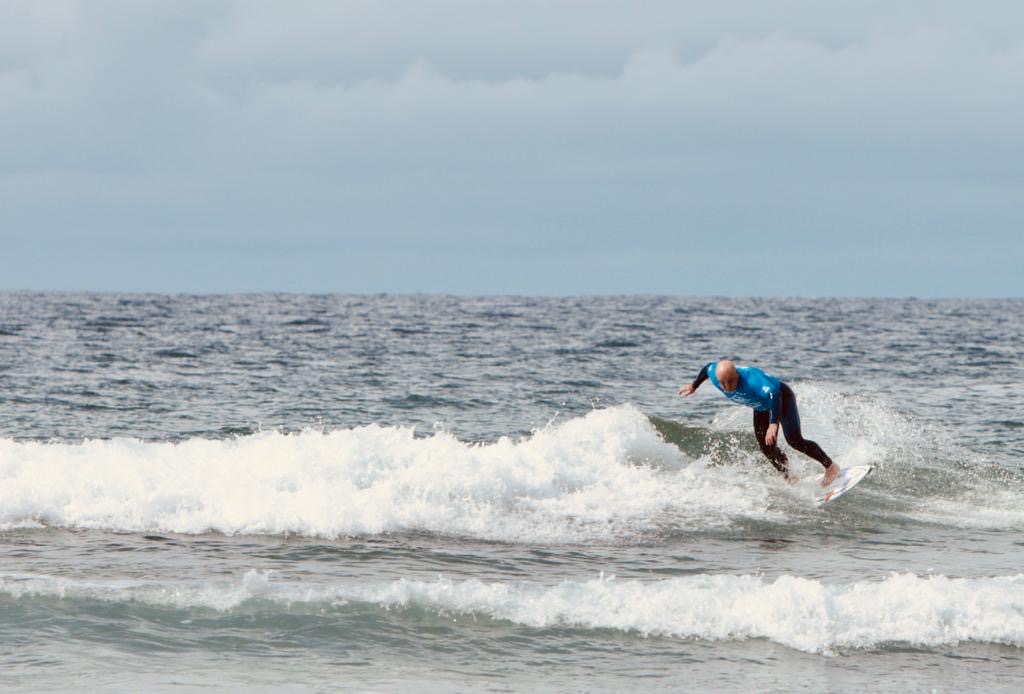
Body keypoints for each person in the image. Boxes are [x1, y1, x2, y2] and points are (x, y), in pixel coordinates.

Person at [679, 359, 840, 486]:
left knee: (794, 440)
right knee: (766, 447)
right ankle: (790, 476)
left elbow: (774, 394)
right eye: (723, 383)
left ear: (737, 376)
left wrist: (773, 424)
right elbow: (708, 367)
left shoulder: (752, 381)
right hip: (760, 405)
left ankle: (831, 467)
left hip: (781, 398)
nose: (727, 387)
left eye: (730, 382)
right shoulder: (716, 375)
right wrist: (694, 385)